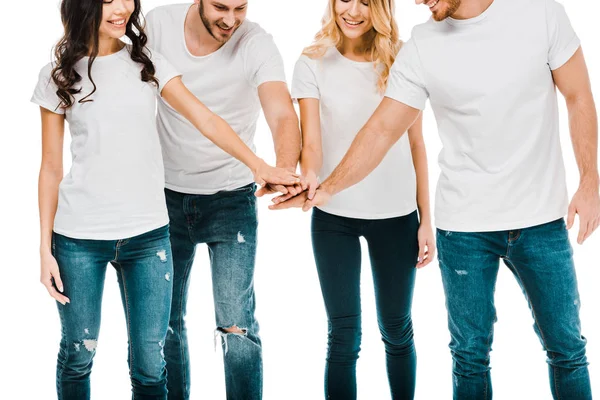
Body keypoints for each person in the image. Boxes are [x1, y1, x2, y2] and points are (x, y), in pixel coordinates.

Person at [273, 0, 598, 398]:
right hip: (462, 230)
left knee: (567, 350)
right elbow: (381, 131)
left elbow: (579, 94)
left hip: (542, 220)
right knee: (469, 357)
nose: (418, 1)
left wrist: (589, 180)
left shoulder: (540, 12)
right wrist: (323, 189)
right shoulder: (423, 45)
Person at [33, 1, 297, 399]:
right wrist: (44, 247)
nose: (121, 8)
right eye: (107, 0)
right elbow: (51, 166)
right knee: (77, 356)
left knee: (150, 367)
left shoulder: (147, 62)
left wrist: (259, 165)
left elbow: (204, 118)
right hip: (78, 238)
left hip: (149, 236)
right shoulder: (57, 77)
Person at [272, 0, 434, 398]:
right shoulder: (312, 62)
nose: (354, 10)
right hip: (333, 217)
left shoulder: (402, 58)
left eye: (366, 1)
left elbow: (416, 145)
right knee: (343, 335)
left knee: (397, 329)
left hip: (396, 215)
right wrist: (307, 181)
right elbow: (312, 144)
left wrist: (426, 218)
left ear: (382, 8)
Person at [144, 1, 302, 398]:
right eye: (220, 7)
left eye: (240, 7)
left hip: (231, 200)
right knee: (163, 323)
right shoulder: (158, 24)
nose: (230, 20)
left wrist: (281, 169)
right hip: (162, 197)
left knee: (237, 323)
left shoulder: (256, 44)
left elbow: (282, 113)